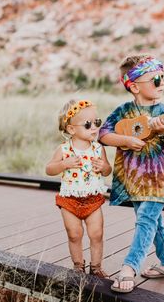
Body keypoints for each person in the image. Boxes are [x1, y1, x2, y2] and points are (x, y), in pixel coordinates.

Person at [99, 54, 164, 293]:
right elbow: (103, 134)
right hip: (133, 178)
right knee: (153, 222)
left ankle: (130, 267)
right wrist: (125, 139)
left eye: (163, 77)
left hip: (159, 177)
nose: (162, 83)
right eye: (155, 79)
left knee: (146, 219)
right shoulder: (123, 110)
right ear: (134, 86)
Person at [46, 99, 112, 278]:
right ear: (71, 129)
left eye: (97, 122)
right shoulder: (64, 150)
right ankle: (78, 265)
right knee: (74, 234)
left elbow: (107, 170)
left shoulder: (98, 149)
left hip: (92, 198)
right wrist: (63, 164)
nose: (94, 128)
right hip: (70, 199)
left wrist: (103, 167)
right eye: (88, 124)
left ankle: (96, 267)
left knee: (96, 233)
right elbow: (49, 169)